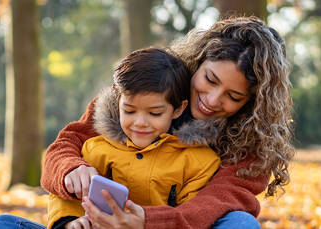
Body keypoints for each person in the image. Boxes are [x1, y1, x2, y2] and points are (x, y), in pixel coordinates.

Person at [0, 16, 292, 229]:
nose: (212, 99)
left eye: (233, 96)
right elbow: (64, 147)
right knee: (3, 224)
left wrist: (146, 221)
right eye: (210, 79)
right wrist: (71, 171)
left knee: (241, 223)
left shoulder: (251, 146)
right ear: (198, 62)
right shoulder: (135, 99)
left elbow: (214, 205)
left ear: (251, 103)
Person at [46, 47, 226, 229]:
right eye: (129, 110)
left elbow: (191, 217)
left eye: (154, 113)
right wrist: (69, 222)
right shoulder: (97, 149)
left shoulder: (199, 162)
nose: (140, 123)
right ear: (118, 103)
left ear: (178, 109)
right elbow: (67, 194)